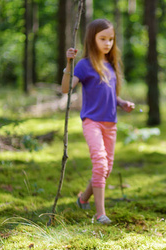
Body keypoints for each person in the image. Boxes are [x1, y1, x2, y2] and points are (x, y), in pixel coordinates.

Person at [61, 19, 135, 224]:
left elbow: (111, 95)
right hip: (92, 122)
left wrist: (122, 103)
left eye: (110, 39)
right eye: (102, 38)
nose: (107, 43)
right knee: (100, 164)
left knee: (106, 168)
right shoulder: (84, 65)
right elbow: (66, 89)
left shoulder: (110, 66)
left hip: (111, 124)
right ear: (92, 39)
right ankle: (100, 213)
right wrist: (69, 63)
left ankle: (83, 199)